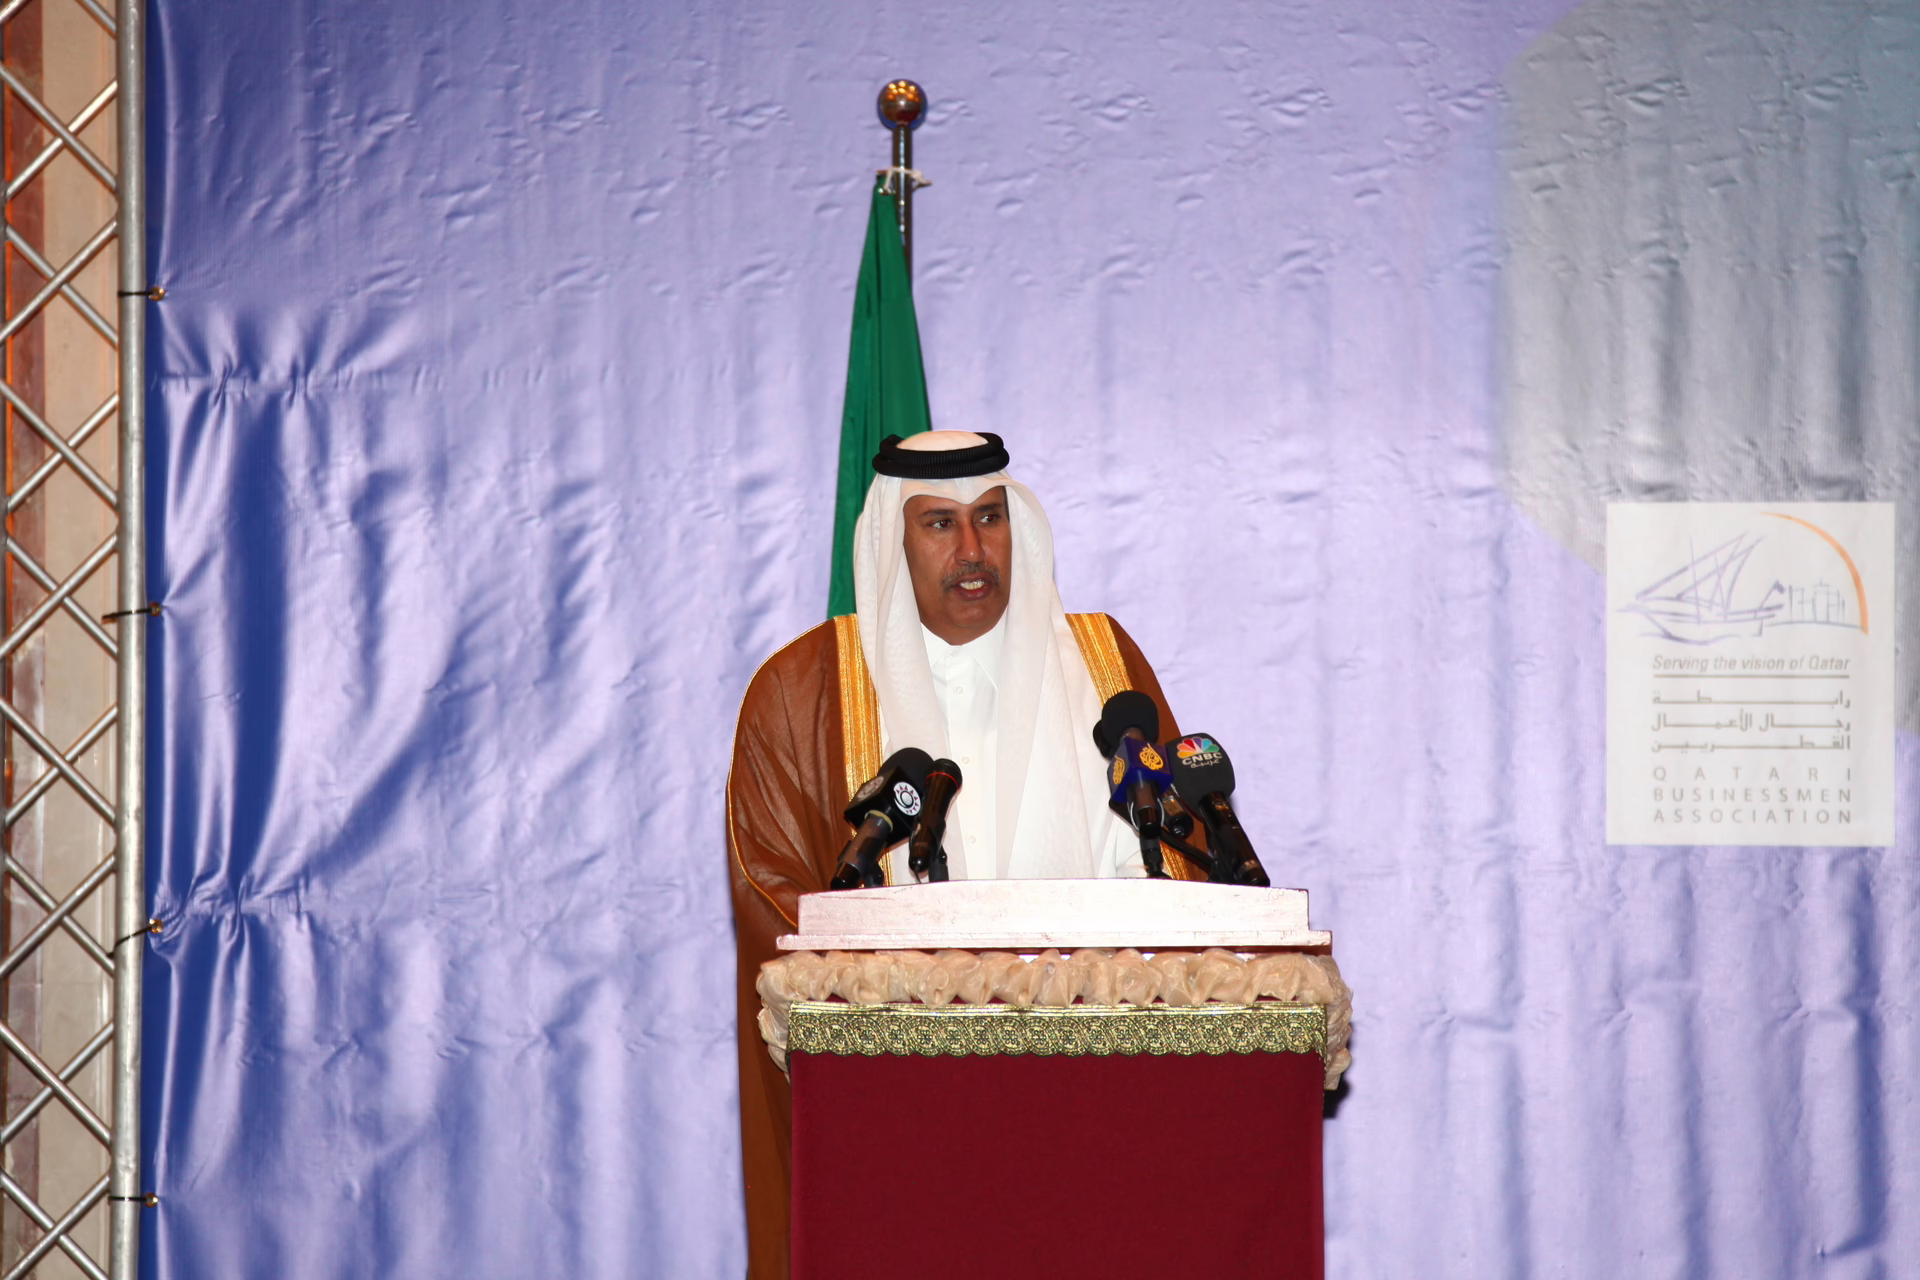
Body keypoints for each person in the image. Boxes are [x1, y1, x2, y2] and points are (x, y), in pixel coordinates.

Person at [725, 430, 1198, 1279]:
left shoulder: (1102, 665)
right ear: (892, 541)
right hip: (903, 1121)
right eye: (940, 524)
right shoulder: (801, 691)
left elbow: (1174, 862)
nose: (973, 549)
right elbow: (775, 897)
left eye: (990, 517)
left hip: (1095, 1097)